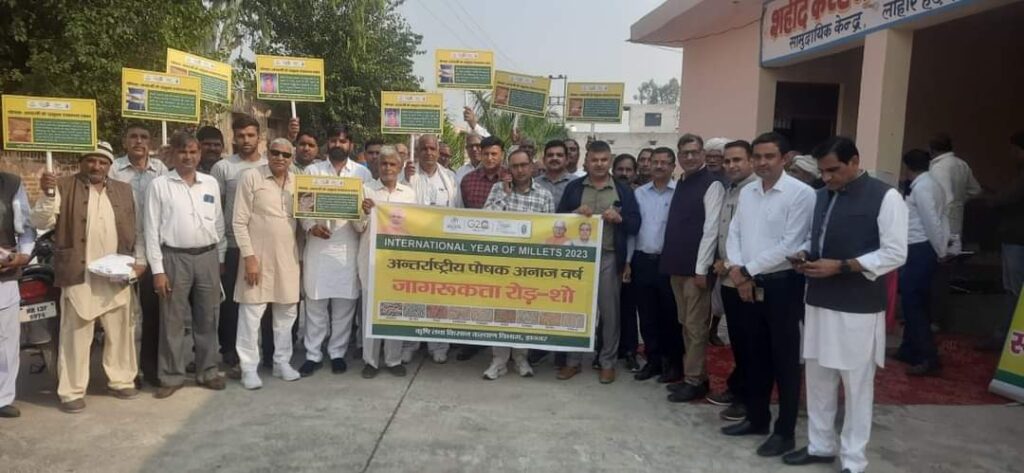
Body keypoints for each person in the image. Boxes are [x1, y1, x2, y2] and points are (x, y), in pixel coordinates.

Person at [783, 136, 908, 473]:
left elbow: (895, 253)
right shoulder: (821, 196)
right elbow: (817, 240)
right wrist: (805, 254)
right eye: (822, 171)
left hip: (858, 306)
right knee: (819, 378)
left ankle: (854, 460)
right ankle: (820, 446)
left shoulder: (886, 197)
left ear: (854, 161)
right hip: (818, 300)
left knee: (856, 386)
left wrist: (841, 266)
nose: (826, 177)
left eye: (834, 170)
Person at [720, 132, 815, 458]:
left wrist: (746, 270)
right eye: (757, 156)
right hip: (747, 283)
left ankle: (784, 431)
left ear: (784, 158)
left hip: (783, 286)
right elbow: (735, 233)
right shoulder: (748, 193)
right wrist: (737, 269)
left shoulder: (801, 194)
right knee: (754, 354)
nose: (762, 162)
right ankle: (757, 418)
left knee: (785, 360)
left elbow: (791, 244)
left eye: (769, 156)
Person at [32, 142, 143, 413]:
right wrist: (47, 193)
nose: (96, 166)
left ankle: (121, 380)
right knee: (76, 334)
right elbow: (41, 222)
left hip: (115, 273)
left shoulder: (124, 190)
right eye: (91, 161)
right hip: (79, 273)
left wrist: (138, 262)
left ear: (109, 166)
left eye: (102, 162)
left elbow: (137, 229)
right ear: (82, 162)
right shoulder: (64, 187)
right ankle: (71, 390)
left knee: (121, 331)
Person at [144, 133, 227, 398]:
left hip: (207, 256)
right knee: (172, 319)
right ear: (173, 154)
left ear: (199, 154)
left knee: (208, 317)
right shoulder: (159, 185)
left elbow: (218, 223)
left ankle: (208, 371)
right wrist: (158, 271)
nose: (188, 157)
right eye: (182, 152)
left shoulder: (210, 183)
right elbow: (150, 230)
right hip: (173, 258)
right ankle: (171, 375)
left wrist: (220, 258)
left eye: (193, 152)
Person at [557, 140, 641, 384]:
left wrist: (619, 218)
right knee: (575, 310)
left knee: (610, 312)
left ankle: (607, 362)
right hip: (578, 258)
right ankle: (573, 361)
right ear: (587, 161)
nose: (599, 164)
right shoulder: (574, 187)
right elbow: (557, 219)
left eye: (604, 160)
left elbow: (636, 224)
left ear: (610, 160)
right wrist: (573, 215)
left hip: (608, 256)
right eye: (594, 160)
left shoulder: (623, 190)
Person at [298, 126, 374, 377]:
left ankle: (337, 353)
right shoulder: (313, 171)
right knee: (315, 304)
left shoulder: (362, 173)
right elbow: (303, 207)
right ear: (327, 144)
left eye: (342, 141)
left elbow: (365, 216)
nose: (337, 144)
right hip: (318, 246)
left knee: (344, 306)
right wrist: (311, 227)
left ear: (350, 145)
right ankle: (313, 354)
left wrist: (364, 212)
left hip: (348, 246)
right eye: (333, 140)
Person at [232, 138, 303, 389]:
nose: (280, 158)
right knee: (251, 314)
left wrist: (315, 228)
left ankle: (281, 362)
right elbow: (239, 221)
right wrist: (249, 257)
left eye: (286, 154)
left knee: (287, 313)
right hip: (257, 258)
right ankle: (248, 368)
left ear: (291, 158)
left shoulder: (298, 182)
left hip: (288, 258)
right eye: (275, 152)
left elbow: (304, 217)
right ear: (268, 152)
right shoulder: (251, 177)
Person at [481, 148, 555, 380]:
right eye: (515, 166)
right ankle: (499, 360)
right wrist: (505, 194)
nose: (520, 170)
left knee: (525, 312)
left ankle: (521, 358)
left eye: (524, 165)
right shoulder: (498, 190)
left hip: (529, 266)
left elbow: (550, 233)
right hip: (501, 265)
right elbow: (485, 219)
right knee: (500, 312)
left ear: (531, 166)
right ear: (509, 168)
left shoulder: (544, 195)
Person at [661, 133, 725, 402]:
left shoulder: (712, 184)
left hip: (695, 271)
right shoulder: (683, 181)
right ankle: (694, 375)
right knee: (685, 324)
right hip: (676, 265)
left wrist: (702, 269)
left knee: (696, 327)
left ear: (703, 154)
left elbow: (711, 230)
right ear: (679, 156)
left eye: (694, 152)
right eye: (684, 153)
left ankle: (695, 380)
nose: (689, 157)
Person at [109, 123, 167, 387]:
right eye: (133, 137)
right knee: (125, 317)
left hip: (154, 253)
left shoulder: (161, 170)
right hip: (122, 252)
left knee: (153, 314)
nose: (139, 141)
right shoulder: (114, 170)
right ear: (125, 141)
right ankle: (127, 372)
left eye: (144, 137)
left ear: (150, 142)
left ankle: (150, 368)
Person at [706, 139, 758, 421]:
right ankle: (738, 388)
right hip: (726, 276)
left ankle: (748, 400)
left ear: (750, 161)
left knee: (750, 342)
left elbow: (754, 238)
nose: (730, 165)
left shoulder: (756, 191)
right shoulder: (730, 189)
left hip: (746, 278)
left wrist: (733, 266)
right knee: (738, 339)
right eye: (727, 161)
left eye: (737, 160)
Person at [211, 115, 267, 374]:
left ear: (259, 137)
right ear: (233, 137)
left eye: (251, 135)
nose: (246, 140)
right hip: (234, 245)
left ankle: (265, 353)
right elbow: (217, 211)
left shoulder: (270, 165)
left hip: (264, 247)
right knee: (232, 304)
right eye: (241, 135)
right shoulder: (223, 168)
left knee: (262, 303)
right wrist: (220, 251)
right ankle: (230, 353)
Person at [357, 146, 417, 378]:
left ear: (400, 167)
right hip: (371, 260)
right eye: (384, 164)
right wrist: (364, 213)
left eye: (392, 164)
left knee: (394, 309)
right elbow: (357, 227)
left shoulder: (409, 194)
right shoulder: (366, 190)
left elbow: (414, 226)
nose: (388, 168)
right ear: (377, 166)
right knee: (370, 311)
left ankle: (393, 359)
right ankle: (370, 361)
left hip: (397, 262)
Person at [402, 134, 460, 363]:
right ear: (417, 151)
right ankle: (410, 344)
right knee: (413, 297)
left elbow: (458, 212)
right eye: (423, 148)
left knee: (439, 297)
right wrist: (405, 179)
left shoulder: (450, 178)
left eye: (432, 148)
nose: (428, 152)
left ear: (438, 151)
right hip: (413, 248)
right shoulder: (407, 174)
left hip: (442, 250)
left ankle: (439, 345)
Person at [628, 147, 683, 384]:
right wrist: (628, 262)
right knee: (647, 315)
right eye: (655, 162)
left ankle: (673, 363)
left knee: (670, 315)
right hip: (642, 261)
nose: (659, 166)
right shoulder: (639, 193)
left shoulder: (680, 193)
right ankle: (653, 361)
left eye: (664, 162)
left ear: (672, 166)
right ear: (649, 165)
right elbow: (633, 231)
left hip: (669, 262)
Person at [896, 149, 947, 376]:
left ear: (908, 167)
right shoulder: (932, 184)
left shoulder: (923, 187)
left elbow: (931, 221)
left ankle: (928, 357)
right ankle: (909, 349)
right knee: (916, 303)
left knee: (913, 303)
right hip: (922, 247)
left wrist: (940, 250)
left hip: (920, 247)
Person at [980, 131, 1024, 351]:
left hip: (1016, 239)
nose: (1012, 154)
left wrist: (988, 198)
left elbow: (1005, 199)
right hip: (1016, 238)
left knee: (1013, 290)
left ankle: (1005, 336)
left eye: (1015, 150)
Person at [0, 171, 35, 418]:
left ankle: (2, 398)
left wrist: (22, 256)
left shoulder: (11, 183)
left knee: (6, 340)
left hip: (4, 272)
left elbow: (27, 227)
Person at [927, 133, 981, 255]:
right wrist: (960, 201)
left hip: (942, 223)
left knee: (940, 257)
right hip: (957, 219)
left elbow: (944, 198)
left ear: (932, 150)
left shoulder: (939, 167)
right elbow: (976, 190)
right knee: (952, 256)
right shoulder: (962, 164)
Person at [460, 136, 504, 210]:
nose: (489, 158)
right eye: (486, 154)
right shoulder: (467, 181)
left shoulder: (512, 178)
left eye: (494, 154)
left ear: (502, 155)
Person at [537, 140, 573, 206]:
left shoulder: (577, 184)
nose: (554, 158)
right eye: (550, 155)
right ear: (544, 160)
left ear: (567, 160)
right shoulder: (535, 184)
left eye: (559, 155)